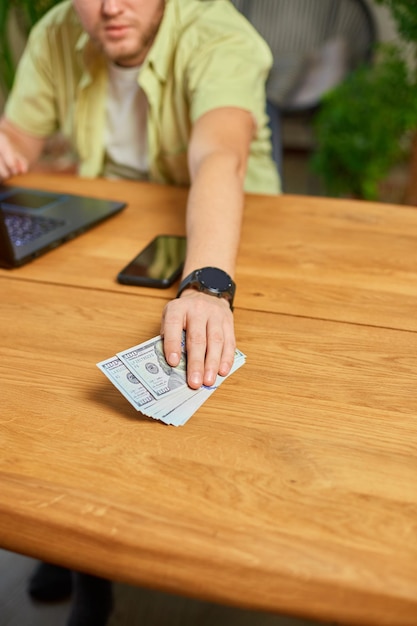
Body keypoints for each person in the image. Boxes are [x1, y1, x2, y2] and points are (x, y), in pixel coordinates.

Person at [1, 0, 279, 623]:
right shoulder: (58, 33)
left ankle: (90, 553)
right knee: (50, 363)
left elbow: (218, 158)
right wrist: (7, 145)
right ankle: (70, 542)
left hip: (226, 231)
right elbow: (20, 135)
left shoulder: (216, 31)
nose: (109, 7)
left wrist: (205, 283)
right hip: (113, 230)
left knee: (168, 389)